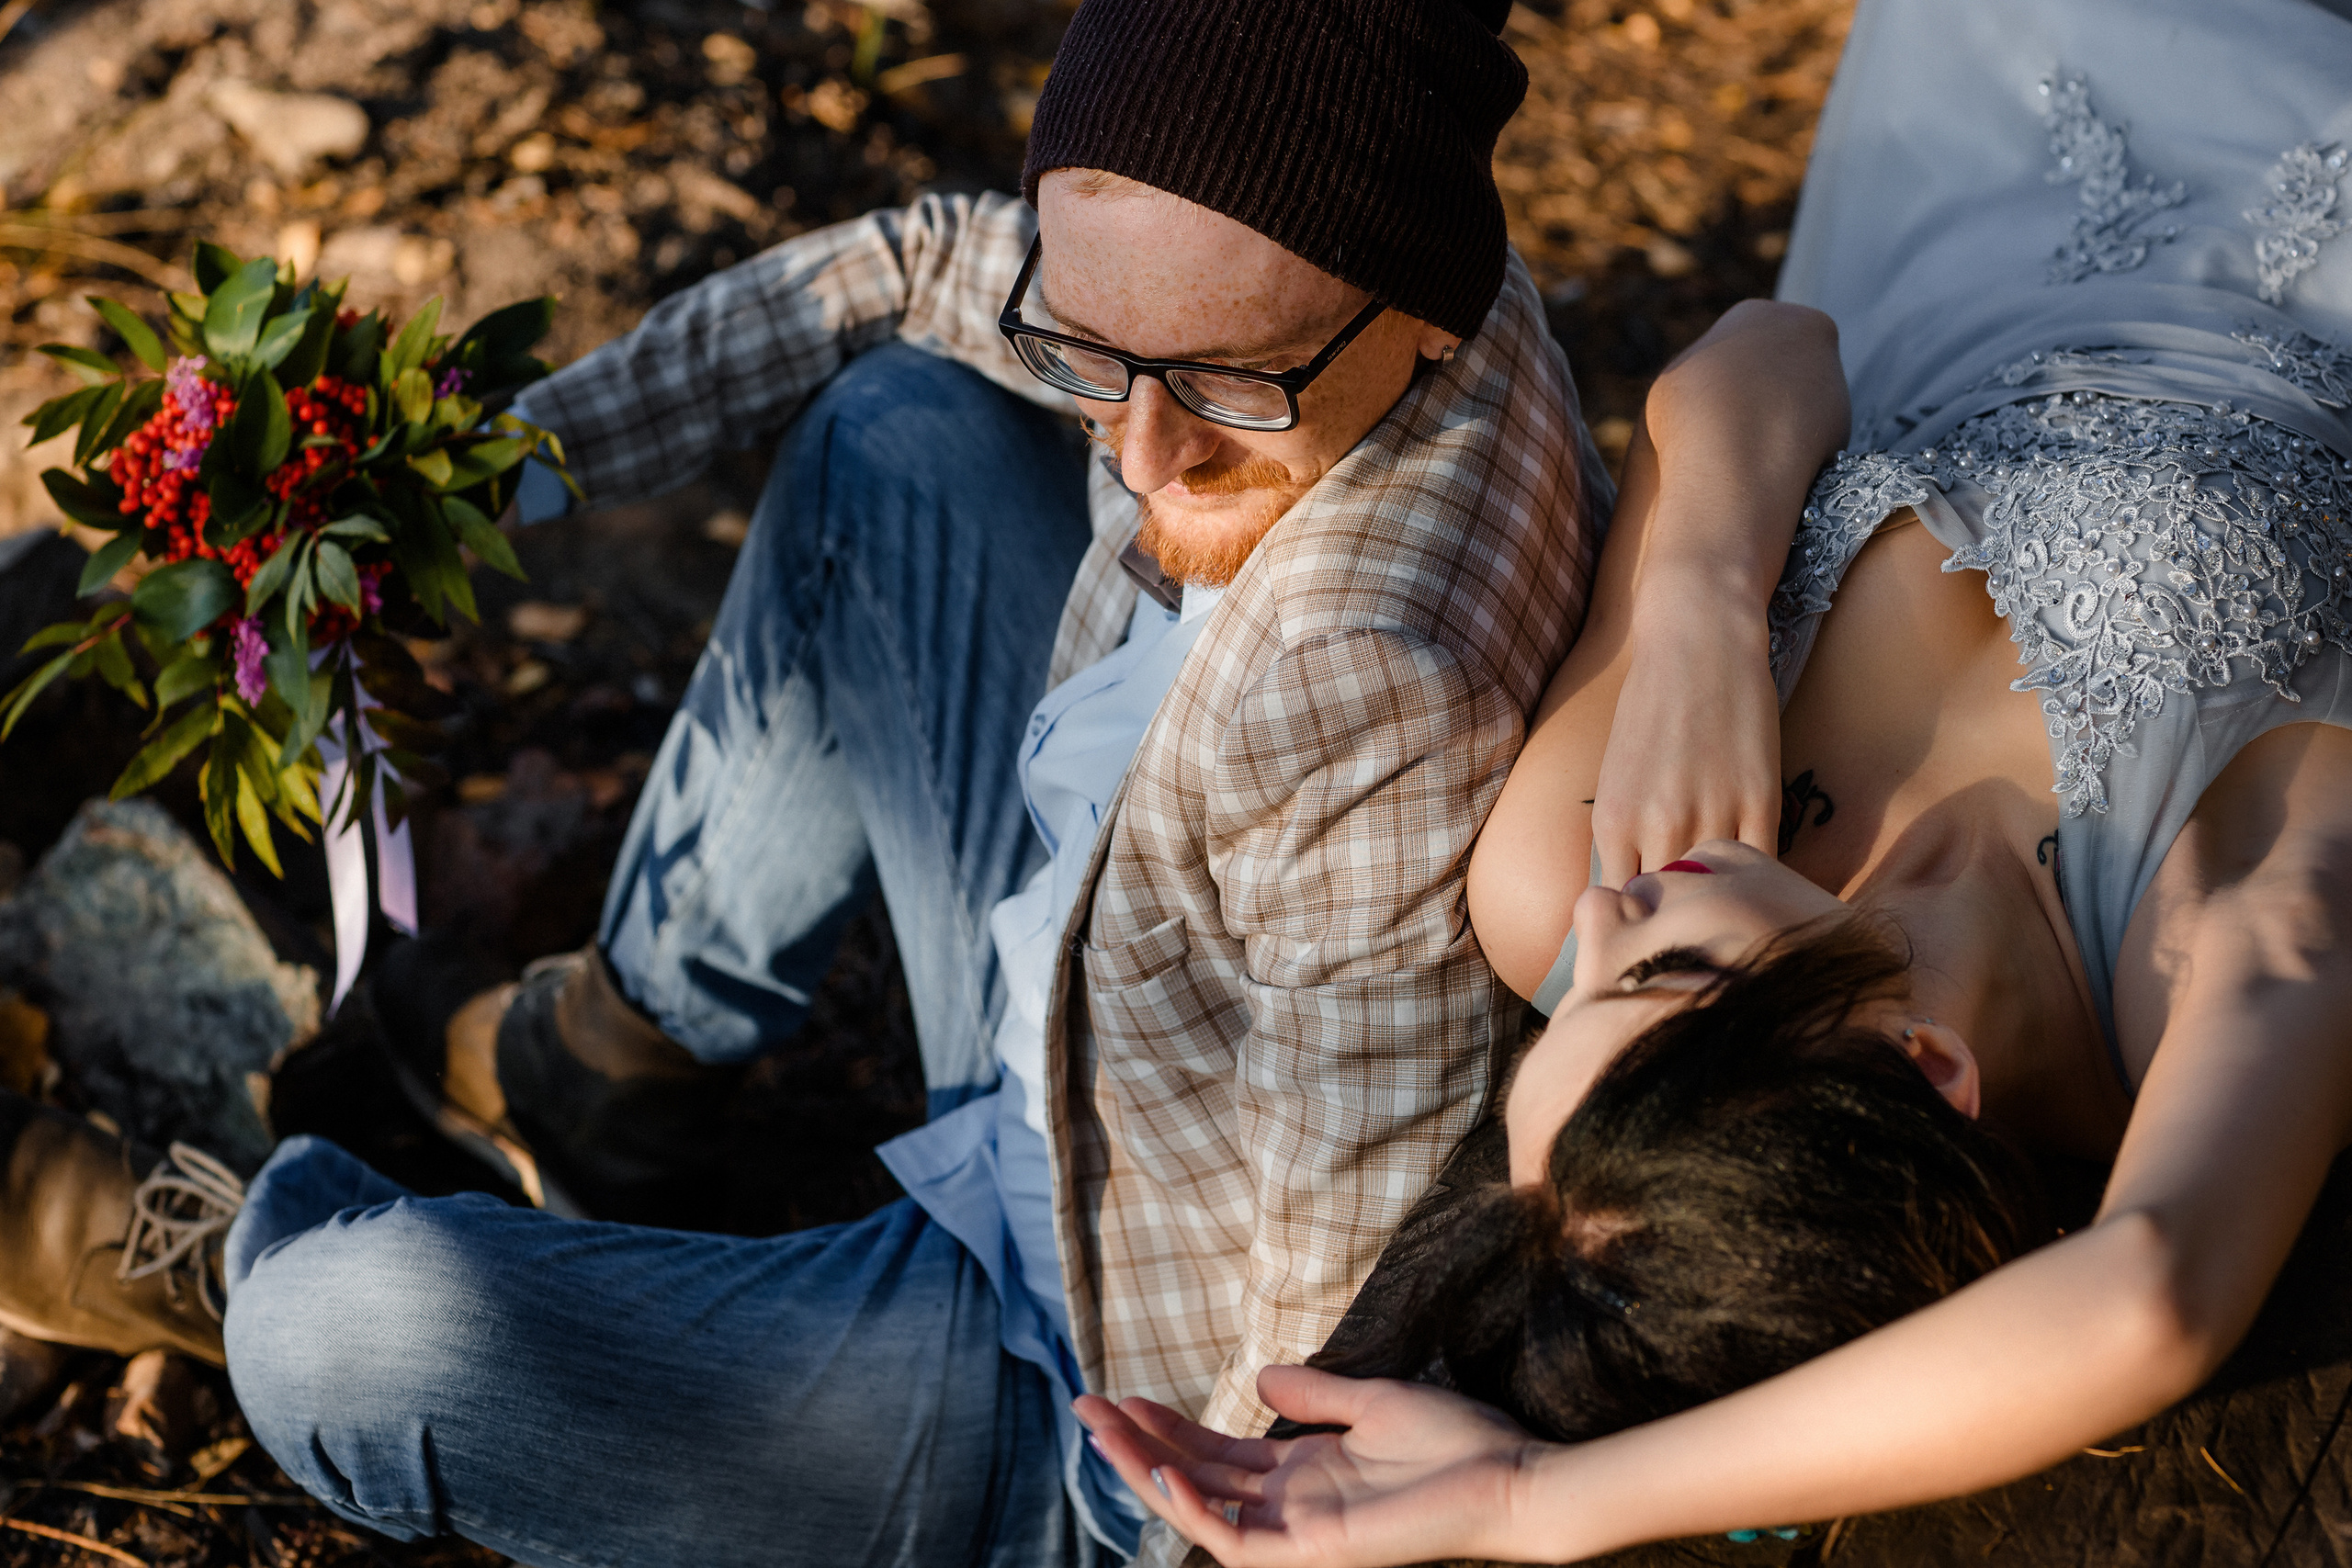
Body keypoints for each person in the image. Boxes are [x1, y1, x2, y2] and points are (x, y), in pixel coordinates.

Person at [0, 1, 1609, 1562]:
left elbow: (1316, 1363)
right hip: (1085, 1048)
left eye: (1221, 385)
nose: (1136, 458)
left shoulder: (1367, 691)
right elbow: (907, 266)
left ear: (1422, 305)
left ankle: (235, 1270)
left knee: (341, 1334)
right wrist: (451, 488)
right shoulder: (1375, 265)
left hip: (1094, 1386)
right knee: (897, 429)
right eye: (1087, 351)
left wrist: (1198, 1516)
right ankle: (608, 1077)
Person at [1072, 0, 2352, 1559]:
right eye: (1656, 975)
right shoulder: (2216, 926)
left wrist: (1698, 605)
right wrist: (1532, 1504)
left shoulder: (1572, 868)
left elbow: (1769, 348)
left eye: (1569, 1006)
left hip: (2004, 149)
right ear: (1921, 1067)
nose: (1600, 926)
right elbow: (2148, 1294)